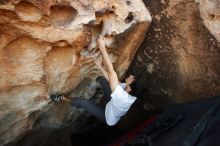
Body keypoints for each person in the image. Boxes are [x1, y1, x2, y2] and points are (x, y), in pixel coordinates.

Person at [50, 35, 138, 126]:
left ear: (130, 89)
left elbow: (111, 71)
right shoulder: (125, 90)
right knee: (103, 79)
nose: (131, 76)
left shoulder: (122, 96)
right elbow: (110, 78)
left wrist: (102, 47)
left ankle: (61, 98)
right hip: (113, 104)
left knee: (84, 102)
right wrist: (99, 66)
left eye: (132, 79)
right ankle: (99, 81)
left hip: (108, 117)